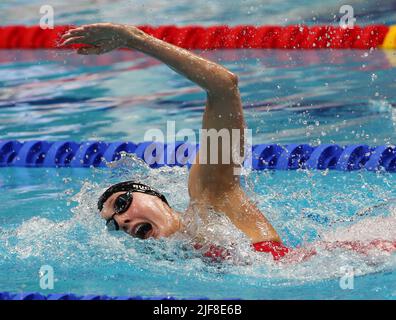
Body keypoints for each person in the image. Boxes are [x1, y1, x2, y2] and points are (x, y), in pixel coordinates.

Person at [60, 23, 395, 261]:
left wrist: (134, 39)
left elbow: (223, 86)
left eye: (122, 204)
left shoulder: (209, 194)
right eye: (113, 225)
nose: (121, 221)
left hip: (373, 250)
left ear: (154, 195)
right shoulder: (184, 258)